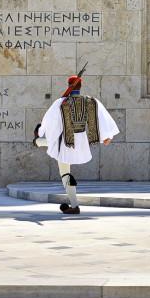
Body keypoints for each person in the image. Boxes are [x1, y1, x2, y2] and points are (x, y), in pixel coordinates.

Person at [34, 75, 119, 214]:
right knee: (55, 151)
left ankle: (74, 205)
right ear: (80, 86)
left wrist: (40, 131)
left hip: (67, 142)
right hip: (81, 142)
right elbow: (102, 116)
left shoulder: (60, 102)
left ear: (69, 86)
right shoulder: (90, 101)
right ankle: (38, 142)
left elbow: (48, 120)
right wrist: (107, 136)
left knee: (65, 173)